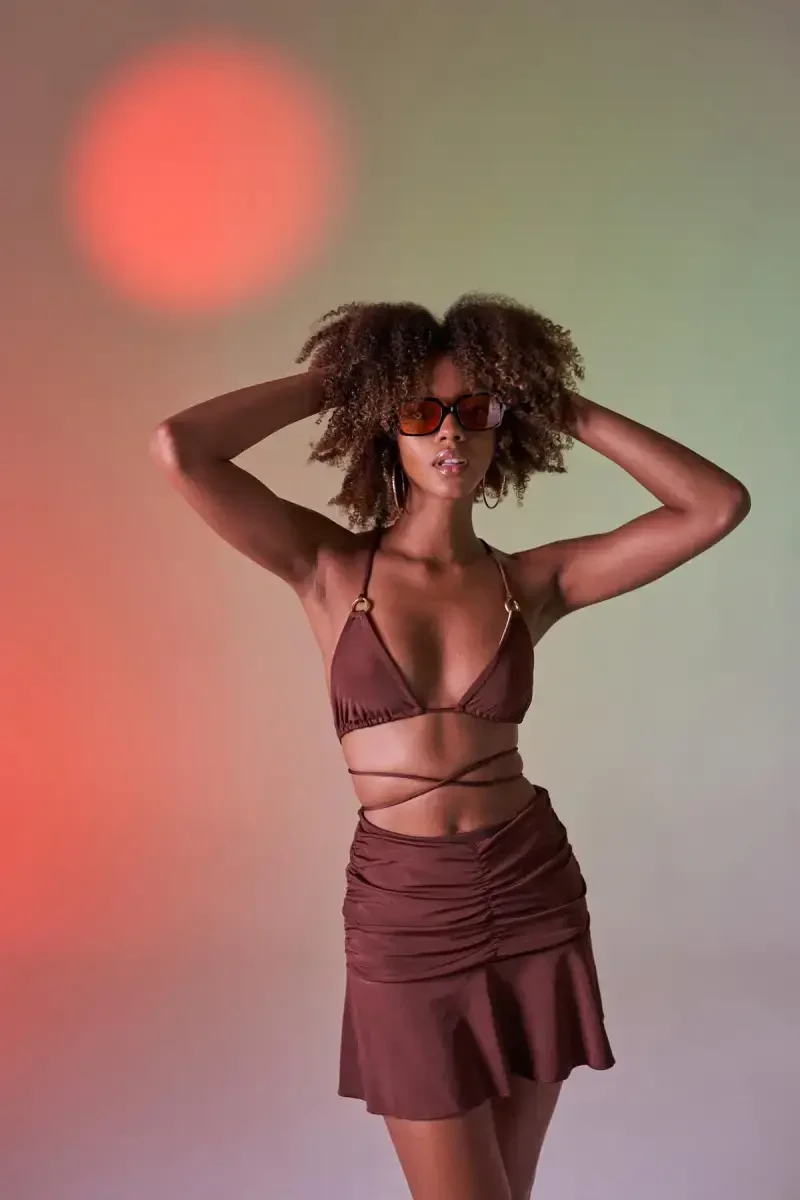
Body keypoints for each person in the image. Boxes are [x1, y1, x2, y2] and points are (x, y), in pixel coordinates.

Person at [149, 293, 750, 1200]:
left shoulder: (530, 583)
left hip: (531, 886)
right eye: (419, 412)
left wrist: (554, 401)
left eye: (475, 410)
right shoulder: (328, 568)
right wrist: (345, 383)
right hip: (406, 909)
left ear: (502, 424)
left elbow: (714, 505)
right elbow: (180, 448)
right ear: (385, 427)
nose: (449, 434)